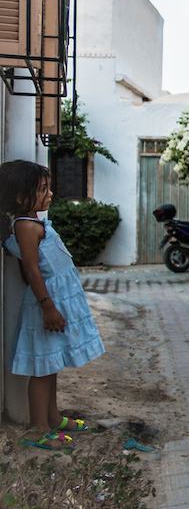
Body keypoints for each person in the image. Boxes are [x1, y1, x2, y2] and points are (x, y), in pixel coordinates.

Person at [0, 160, 105, 451]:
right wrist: (47, 306)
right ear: (21, 197)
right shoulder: (25, 226)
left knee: (52, 363)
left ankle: (54, 417)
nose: (50, 194)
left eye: (49, 188)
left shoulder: (35, 221)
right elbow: (32, 270)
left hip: (55, 301)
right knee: (42, 368)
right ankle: (39, 429)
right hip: (46, 307)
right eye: (43, 189)